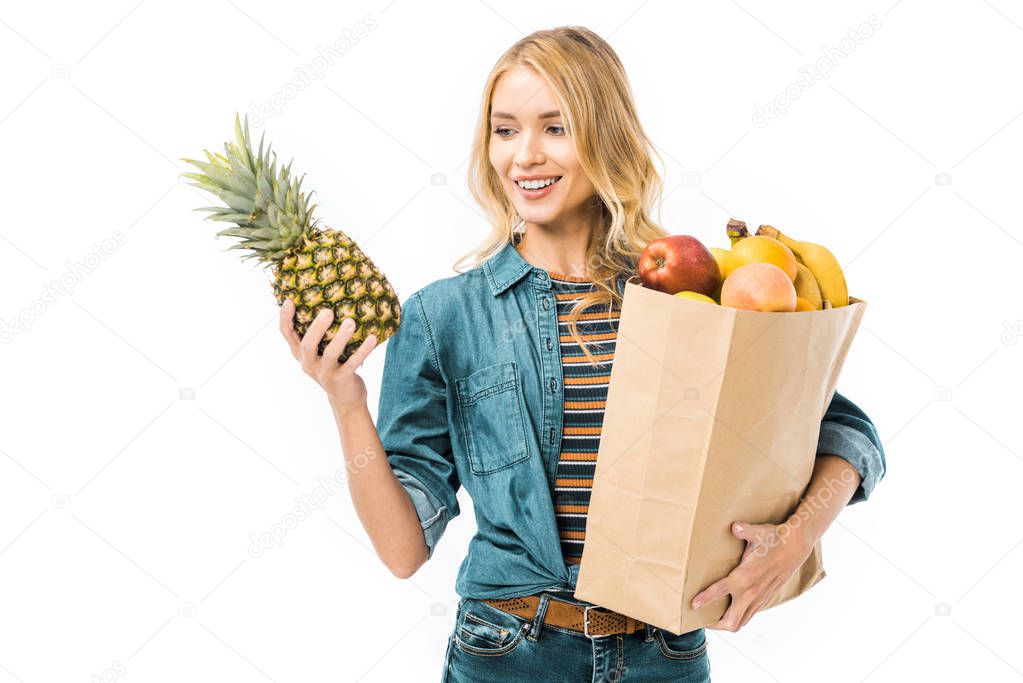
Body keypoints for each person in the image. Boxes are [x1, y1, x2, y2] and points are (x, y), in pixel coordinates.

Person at [278, 25, 886, 683]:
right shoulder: (442, 314)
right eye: (504, 129)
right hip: (507, 653)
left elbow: (843, 432)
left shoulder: (683, 292)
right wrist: (345, 401)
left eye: (555, 127)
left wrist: (790, 542)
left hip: (665, 655)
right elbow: (401, 550)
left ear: (606, 135)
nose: (523, 155)